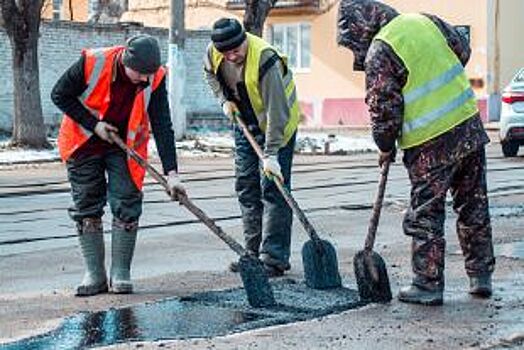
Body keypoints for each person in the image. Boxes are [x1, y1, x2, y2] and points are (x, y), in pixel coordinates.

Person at [337, 0, 495, 305]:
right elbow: (462, 50)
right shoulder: (424, 21)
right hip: (468, 125)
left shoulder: (380, 50)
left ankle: (427, 284)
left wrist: (384, 145)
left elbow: (383, 108)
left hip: (431, 144)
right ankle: (480, 277)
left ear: (360, 28)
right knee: (473, 205)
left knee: (426, 215)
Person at [51, 34, 186, 296]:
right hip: (84, 142)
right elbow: (59, 95)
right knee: (87, 204)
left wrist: (172, 174)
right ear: (126, 61)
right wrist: (94, 125)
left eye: (150, 74)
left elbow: (162, 125)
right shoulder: (92, 63)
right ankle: (95, 274)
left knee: (127, 201)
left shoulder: (155, 77)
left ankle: (121, 272)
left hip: (124, 148)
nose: (146, 79)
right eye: (141, 74)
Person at [203, 18, 301, 277]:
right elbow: (209, 74)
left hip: (278, 126)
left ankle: (274, 258)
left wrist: (271, 155)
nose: (232, 56)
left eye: (236, 50)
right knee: (246, 185)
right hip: (245, 123)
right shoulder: (215, 52)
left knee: (273, 188)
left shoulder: (265, 59)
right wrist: (224, 100)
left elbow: (277, 113)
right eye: (227, 53)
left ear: (244, 40)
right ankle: (252, 253)